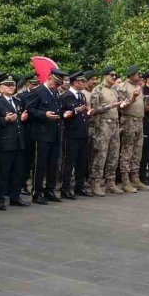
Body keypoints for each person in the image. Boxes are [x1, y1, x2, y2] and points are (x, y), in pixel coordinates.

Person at [0, 74, 29, 209]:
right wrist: (5, 120)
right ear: (1, 87)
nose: (12, 88)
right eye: (8, 85)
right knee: (3, 172)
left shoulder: (17, 101)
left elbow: (19, 120)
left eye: (13, 85)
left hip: (18, 141)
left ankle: (15, 196)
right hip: (4, 142)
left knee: (17, 171)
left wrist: (22, 118)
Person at [27, 68, 67, 203]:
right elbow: (30, 109)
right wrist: (44, 114)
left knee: (53, 163)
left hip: (54, 132)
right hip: (42, 133)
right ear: (49, 78)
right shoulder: (38, 92)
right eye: (55, 83)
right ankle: (37, 192)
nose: (56, 86)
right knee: (40, 164)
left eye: (58, 84)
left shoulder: (55, 93)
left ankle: (49, 190)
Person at [89, 67, 122, 196]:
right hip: (102, 124)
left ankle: (110, 183)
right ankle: (95, 183)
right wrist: (110, 106)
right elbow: (94, 108)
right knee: (101, 154)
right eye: (112, 75)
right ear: (105, 76)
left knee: (113, 154)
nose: (114, 77)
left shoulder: (114, 90)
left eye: (115, 75)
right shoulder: (98, 89)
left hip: (114, 124)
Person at [116, 65, 148, 192]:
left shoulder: (138, 87)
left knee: (137, 150)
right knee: (127, 150)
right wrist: (133, 98)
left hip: (139, 120)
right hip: (129, 120)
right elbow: (121, 106)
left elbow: (142, 104)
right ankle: (125, 180)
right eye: (138, 74)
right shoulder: (123, 87)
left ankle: (135, 177)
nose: (140, 76)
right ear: (131, 75)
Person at [59, 71, 91, 200]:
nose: (84, 83)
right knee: (69, 161)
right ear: (76, 82)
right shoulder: (66, 96)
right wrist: (75, 111)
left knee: (82, 161)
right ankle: (65, 188)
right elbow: (62, 114)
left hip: (82, 132)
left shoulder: (82, 96)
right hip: (71, 133)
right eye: (82, 81)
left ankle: (79, 186)